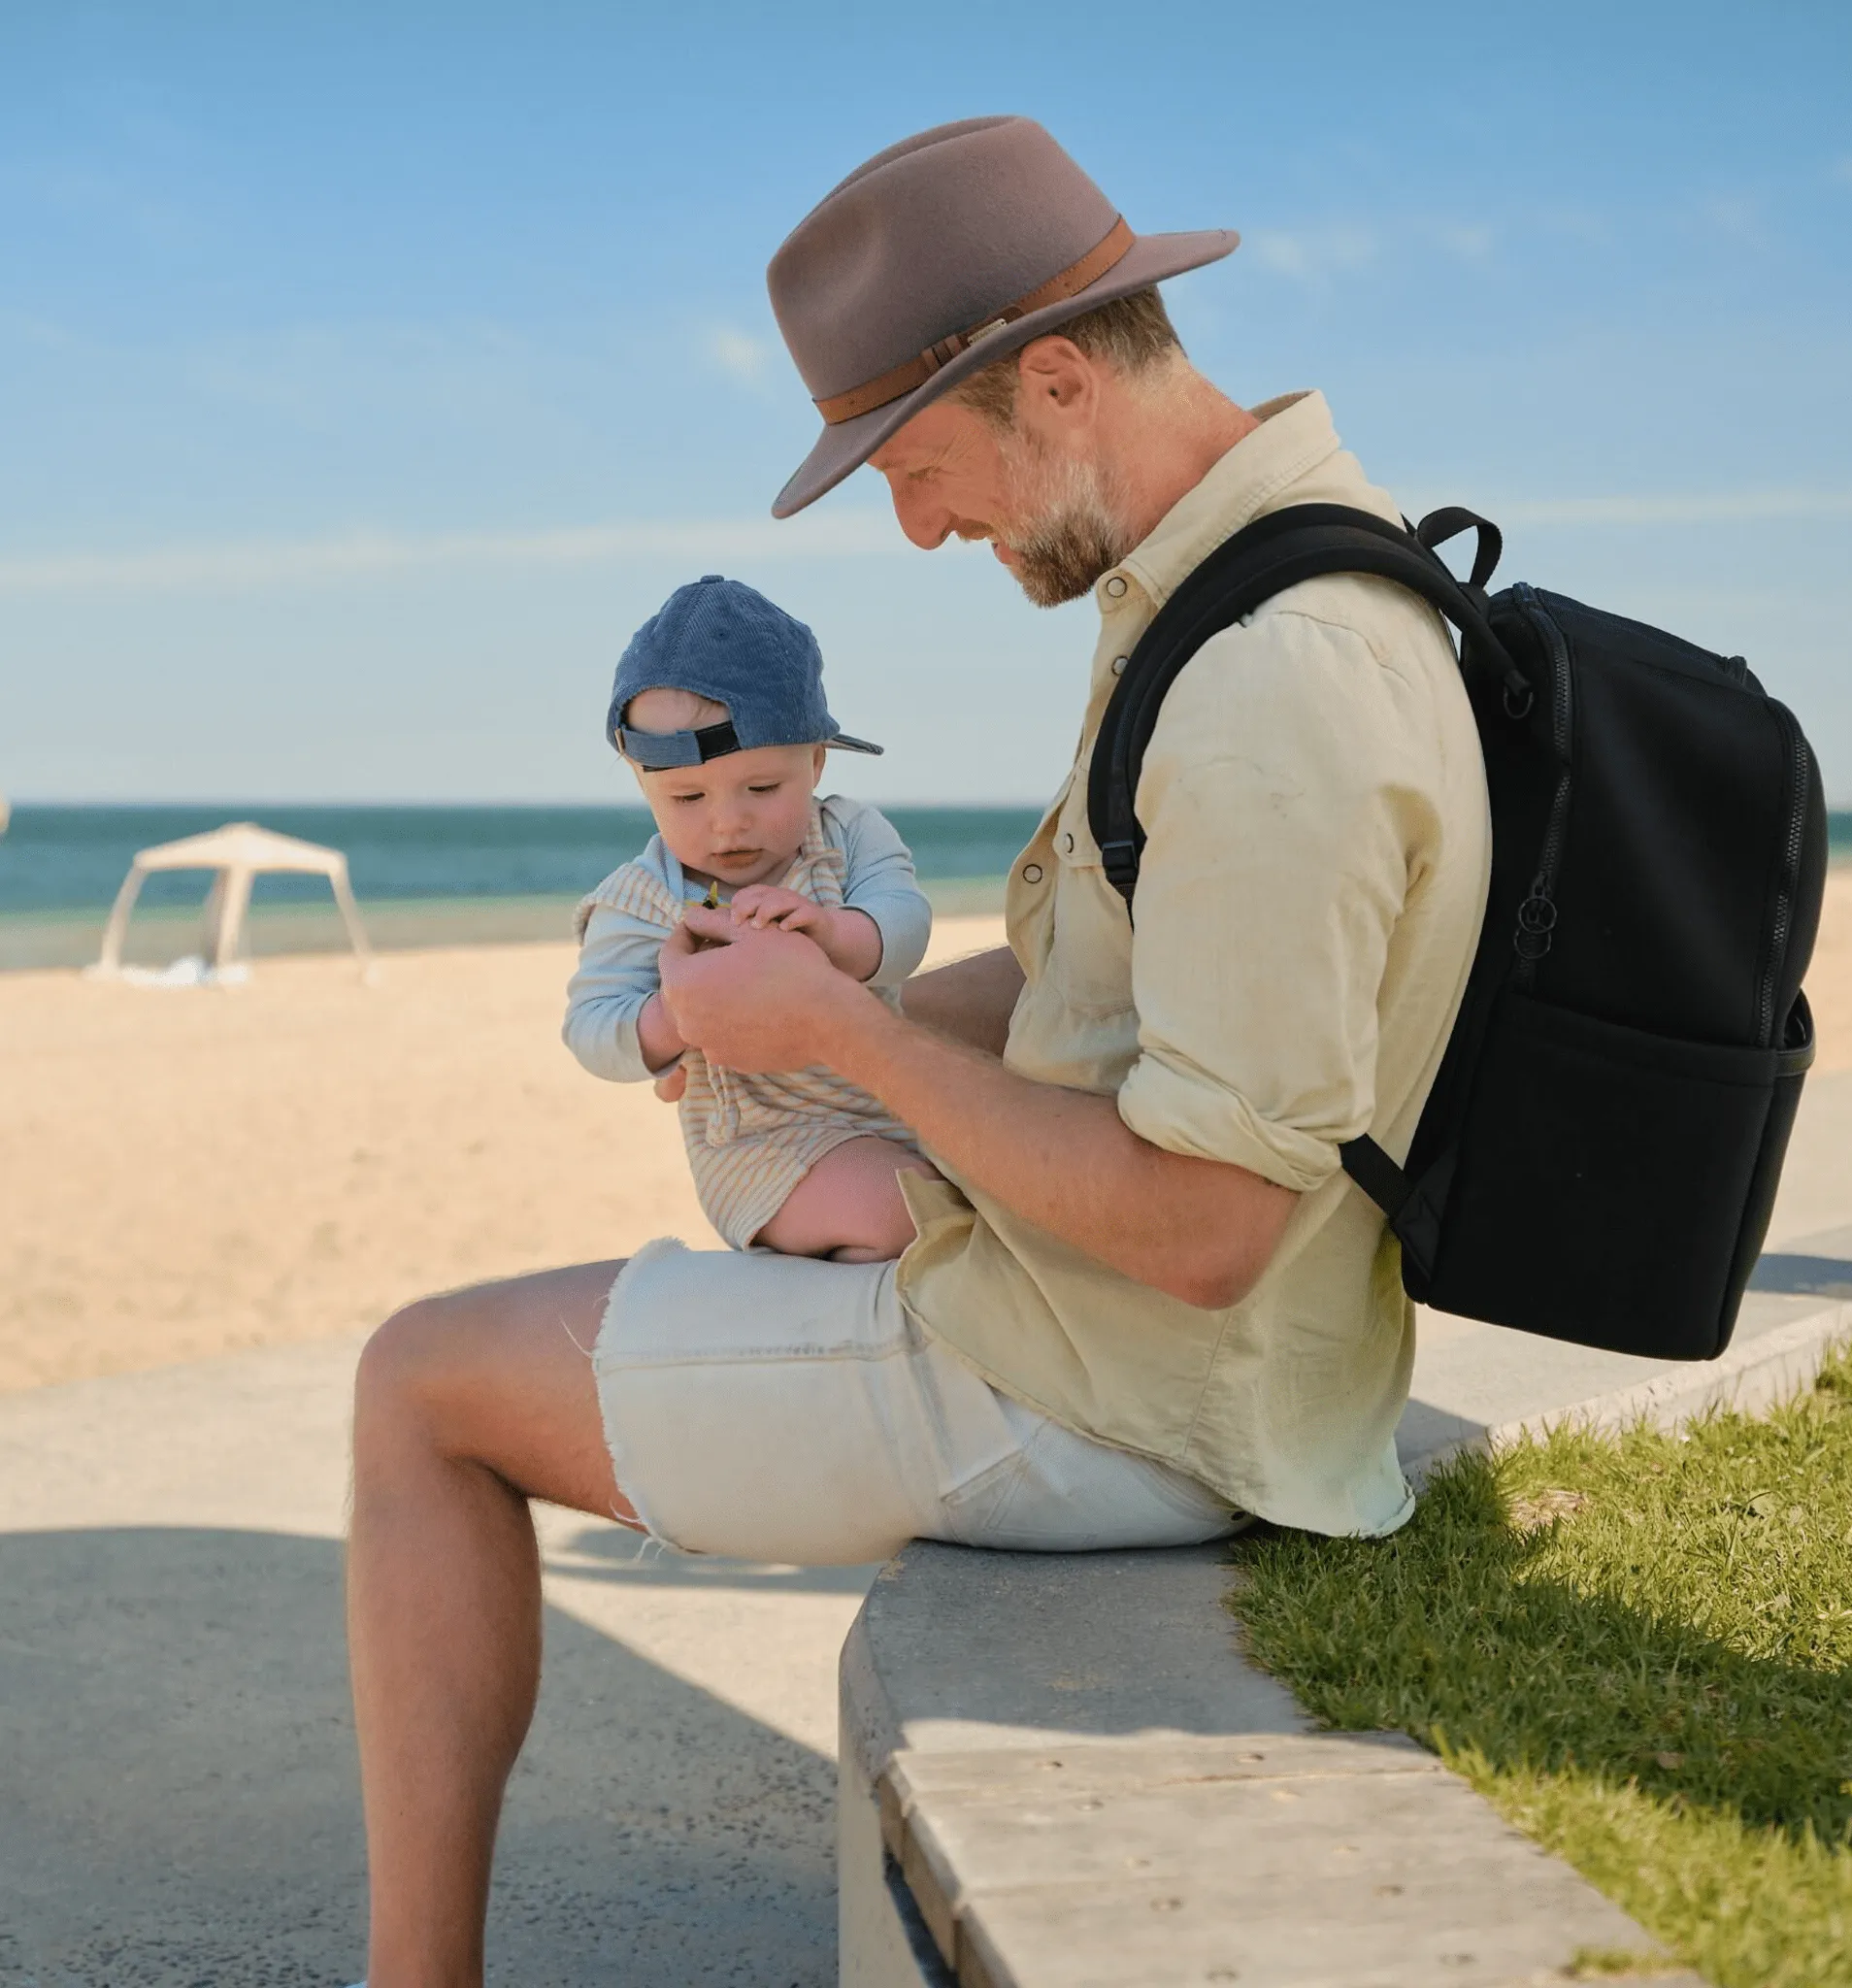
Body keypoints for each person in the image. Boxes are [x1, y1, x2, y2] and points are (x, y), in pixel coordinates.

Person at [346, 115, 1491, 1983]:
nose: (917, 525)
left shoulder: (1271, 680)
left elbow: (1200, 1225)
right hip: (1171, 1348)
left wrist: (844, 1045)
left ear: (1053, 377)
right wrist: (849, 991)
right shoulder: (1249, 591)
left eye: (919, 464)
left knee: (417, 1386)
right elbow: (1096, 1004)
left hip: (1109, 1381)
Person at [564, 575, 939, 1262]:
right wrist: (677, 1018)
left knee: (999, 1184)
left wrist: (833, 936)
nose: (727, 822)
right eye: (685, 797)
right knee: (901, 1211)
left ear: (817, 761)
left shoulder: (848, 836)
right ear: (640, 780)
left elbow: (905, 924)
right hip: (764, 1149)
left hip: (898, 1100)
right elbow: (590, 1027)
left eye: (762, 788)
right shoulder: (646, 899)